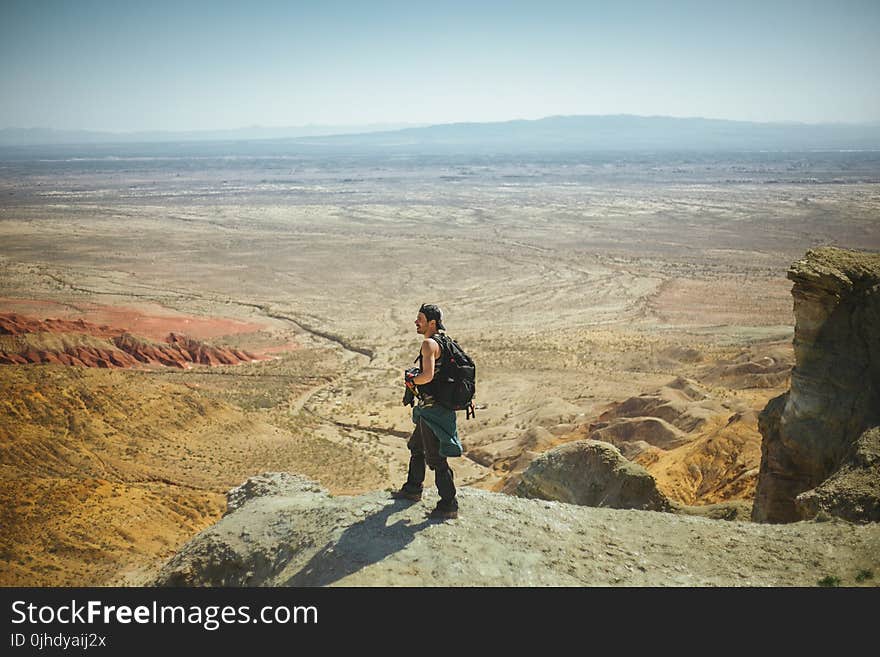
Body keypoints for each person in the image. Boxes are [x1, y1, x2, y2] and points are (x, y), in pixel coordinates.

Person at [391, 303, 462, 519]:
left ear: (432, 322)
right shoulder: (447, 342)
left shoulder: (429, 344)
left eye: (419, 318)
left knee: (436, 458)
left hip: (433, 410)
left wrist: (411, 379)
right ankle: (413, 488)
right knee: (416, 446)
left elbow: (428, 376)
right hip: (435, 408)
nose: (416, 322)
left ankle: (449, 504)